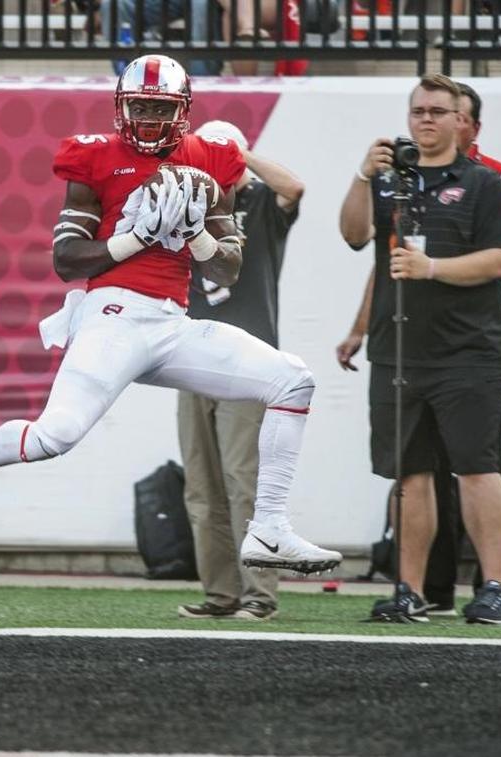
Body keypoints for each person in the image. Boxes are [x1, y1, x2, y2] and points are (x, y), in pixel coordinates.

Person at [0, 55, 341, 585]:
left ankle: (269, 528)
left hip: (171, 323)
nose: (147, 117)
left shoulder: (214, 159)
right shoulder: (96, 157)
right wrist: (135, 238)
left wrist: (197, 234)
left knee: (294, 380)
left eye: (159, 108)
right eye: (140, 106)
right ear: (122, 106)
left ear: (183, 111)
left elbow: (227, 268)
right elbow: (67, 260)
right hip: (112, 314)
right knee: (55, 437)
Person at [336, 80, 501, 617]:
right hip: (398, 352)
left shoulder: (487, 184)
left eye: (438, 111)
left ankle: (496, 588)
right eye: (418, 111)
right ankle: (410, 591)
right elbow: (354, 237)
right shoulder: (389, 180)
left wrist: (432, 267)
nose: (426, 120)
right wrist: (361, 175)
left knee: (477, 468)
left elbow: (497, 259)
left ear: (463, 122)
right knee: (410, 474)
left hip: (468, 350)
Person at [174, 120, 304, 622]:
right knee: (201, 484)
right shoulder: (190, 203)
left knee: (242, 479)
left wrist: (240, 155)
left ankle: (260, 596)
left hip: (246, 359)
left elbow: (294, 187)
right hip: (191, 355)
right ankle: (220, 593)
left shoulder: (261, 206)